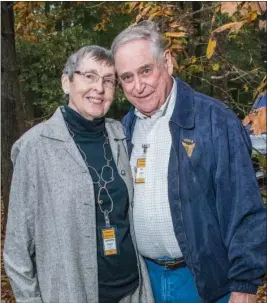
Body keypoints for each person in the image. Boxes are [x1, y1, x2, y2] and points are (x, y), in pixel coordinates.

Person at [111, 21, 266, 303]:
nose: (138, 86)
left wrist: (245, 284)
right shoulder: (126, 129)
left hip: (207, 283)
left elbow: (244, 207)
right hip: (146, 283)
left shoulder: (214, 121)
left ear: (167, 62)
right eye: (127, 77)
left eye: (146, 70)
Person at [4, 46, 154, 303]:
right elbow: (17, 247)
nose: (99, 87)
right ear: (66, 82)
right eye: (89, 76)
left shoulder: (120, 135)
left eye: (108, 80)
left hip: (132, 291)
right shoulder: (35, 147)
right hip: (72, 293)